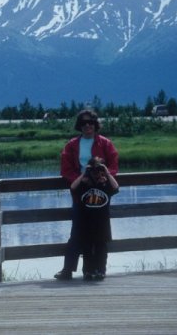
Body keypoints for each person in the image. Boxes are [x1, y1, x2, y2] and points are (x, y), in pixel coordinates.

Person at [54, 109, 118, 280]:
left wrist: (102, 177)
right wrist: (82, 179)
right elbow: (65, 170)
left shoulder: (105, 143)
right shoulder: (71, 145)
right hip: (81, 192)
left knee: (100, 232)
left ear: (95, 124)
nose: (87, 125)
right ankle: (68, 269)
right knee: (77, 232)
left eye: (90, 122)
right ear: (79, 126)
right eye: (83, 123)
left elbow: (113, 165)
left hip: (100, 193)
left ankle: (96, 270)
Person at [70, 157, 119, 280]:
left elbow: (116, 187)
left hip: (102, 223)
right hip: (86, 223)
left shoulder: (105, 185)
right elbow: (73, 187)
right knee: (86, 248)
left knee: (101, 248)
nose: (97, 173)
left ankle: (100, 270)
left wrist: (107, 173)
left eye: (99, 170)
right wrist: (84, 173)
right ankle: (88, 271)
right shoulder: (84, 185)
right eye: (94, 170)